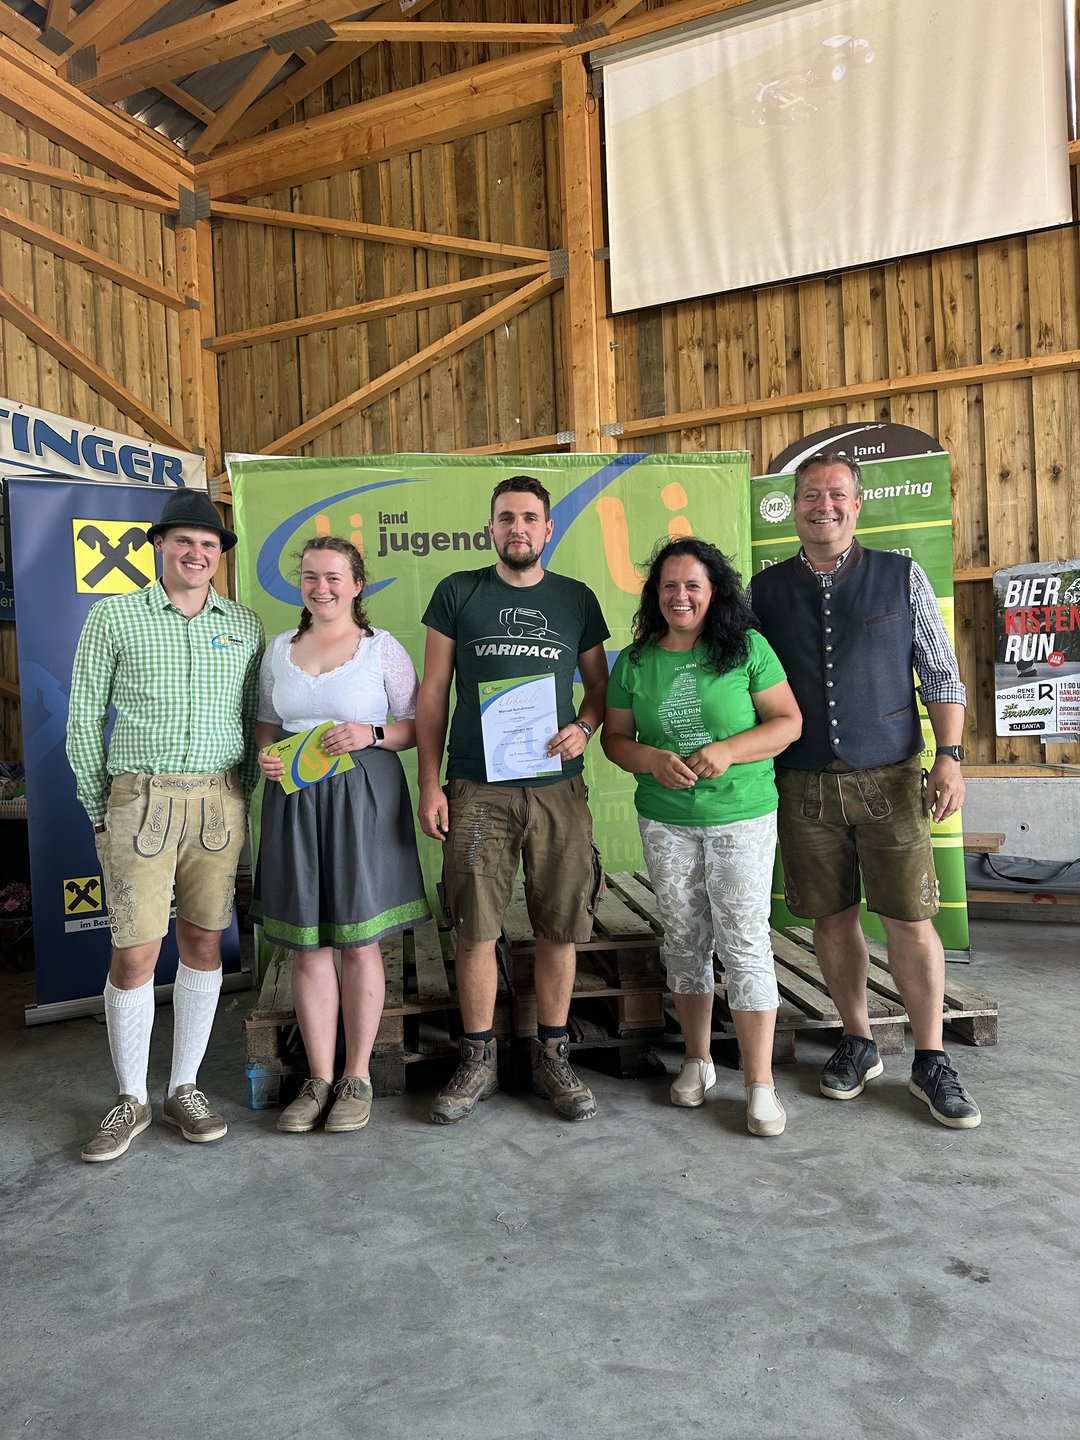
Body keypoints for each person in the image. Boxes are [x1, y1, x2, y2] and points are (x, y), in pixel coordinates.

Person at [747, 448, 982, 1129]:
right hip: (802, 781)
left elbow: (941, 672)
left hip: (893, 778)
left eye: (835, 495)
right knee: (830, 918)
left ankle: (931, 1057)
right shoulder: (763, 591)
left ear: (857, 504)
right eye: (810, 495)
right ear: (793, 508)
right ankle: (858, 1039)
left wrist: (951, 757)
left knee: (910, 918)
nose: (822, 506)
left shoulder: (901, 576)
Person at [67, 488, 264, 1162]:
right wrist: (102, 810)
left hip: (218, 801)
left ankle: (184, 1087)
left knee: (204, 943)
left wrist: (243, 797)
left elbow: (251, 718)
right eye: (184, 541)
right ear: (158, 546)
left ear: (219, 556)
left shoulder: (243, 625)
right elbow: (82, 719)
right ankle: (131, 1098)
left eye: (209, 545)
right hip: (139, 800)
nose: (197, 554)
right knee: (135, 952)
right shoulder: (114, 616)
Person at [416, 475, 609, 1124]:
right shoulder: (458, 592)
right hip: (477, 789)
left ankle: (552, 1054)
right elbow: (433, 693)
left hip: (558, 788)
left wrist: (584, 726)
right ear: (491, 528)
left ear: (548, 529)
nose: (517, 528)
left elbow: (600, 690)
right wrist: (430, 782)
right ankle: (478, 1058)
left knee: (561, 924)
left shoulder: (575, 599)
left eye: (529, 518)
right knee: (475, 926)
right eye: (506, 518)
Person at [602, 538, 802, 1137]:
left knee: (744, 942)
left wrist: (729, 750)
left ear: (715, 592)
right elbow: (615, 739)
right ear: (655, 594)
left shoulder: (747, 649)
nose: (680, 596)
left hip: (740, 813)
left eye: (693, 585)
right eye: (669, 585)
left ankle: (760, 1084)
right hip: (665, 818)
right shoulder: (635, 661)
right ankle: (697, 1060)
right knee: (684, 940)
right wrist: (651, 760)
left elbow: (788, 722)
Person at [252, 536, 429, 1135]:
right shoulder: (279, 649)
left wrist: (370, 734)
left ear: (357, 585)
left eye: (333, 577)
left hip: (363, 798)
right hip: (294, 800)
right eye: (310, 577)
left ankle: (357, 1076)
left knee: (358, 942)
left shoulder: (382, 650)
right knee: (307, 946)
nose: (321, 587)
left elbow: (414, 728)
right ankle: (318, 1079)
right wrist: (267, 756)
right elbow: (267, 724)